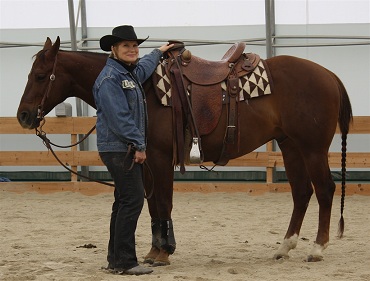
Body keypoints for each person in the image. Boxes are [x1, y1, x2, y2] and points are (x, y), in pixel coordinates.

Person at [93, 25, 173, 275]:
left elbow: (144, 67)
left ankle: (115, 260)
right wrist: (138, 144)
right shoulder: (110, 79)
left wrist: (158, 52)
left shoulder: (128, 73)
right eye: (126, 45)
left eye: (135, 45)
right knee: (133, 201)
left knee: (123, 202)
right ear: (114, 49)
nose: (132, 49)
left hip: (120, 148)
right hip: (120, 149)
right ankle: (126, 262)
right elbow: (120, 117)